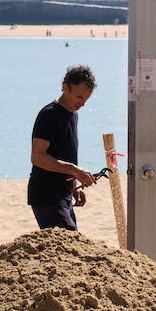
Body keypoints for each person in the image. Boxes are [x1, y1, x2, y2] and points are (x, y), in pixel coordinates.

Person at [28, 64, 100, 230]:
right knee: (70, 240)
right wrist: (75, 170)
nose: (82, 104)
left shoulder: (73, 115)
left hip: (64, 194)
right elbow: (37, 157)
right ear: (65, 87)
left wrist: (73, 186)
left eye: (85, 99)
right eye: (79, 97)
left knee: (71, 239)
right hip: (46, 195)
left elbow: (64, 154)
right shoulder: (49, 114)